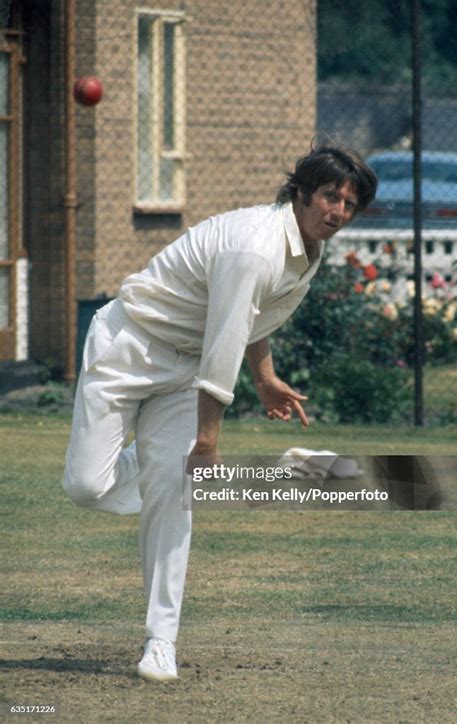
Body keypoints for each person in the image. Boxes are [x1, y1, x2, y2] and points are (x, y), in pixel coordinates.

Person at [63, 141, 377, 682]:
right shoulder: (255, 247)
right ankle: (162, 463)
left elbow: (245, 322)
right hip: (129, 346)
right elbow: (223, 347)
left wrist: (265, 377)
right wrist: (206, 445)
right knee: (87, 487)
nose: (338, 213)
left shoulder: (305, 246)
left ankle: (161, 641)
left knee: (174, 494)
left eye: (349, 205)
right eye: (330, 197)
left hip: (184, 374)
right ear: (301, 192)